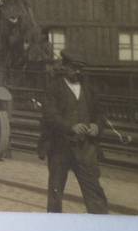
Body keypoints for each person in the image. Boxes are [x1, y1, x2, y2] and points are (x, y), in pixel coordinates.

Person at [41, 50, 109, 214]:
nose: (77, 72)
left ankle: (102, 227)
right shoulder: (53, 88)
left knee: (93, 190)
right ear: (64, 66)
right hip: (60, 148)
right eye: (74, 68)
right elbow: (50, 115)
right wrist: (70, 126)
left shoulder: (89, 88)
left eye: (80, 68)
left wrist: (96, 126)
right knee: (56, 192)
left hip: (86, 149)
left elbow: (100, 114)